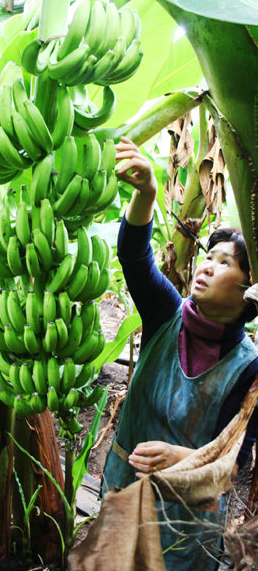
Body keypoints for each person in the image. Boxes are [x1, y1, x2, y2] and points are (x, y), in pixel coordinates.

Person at [102, 136, 258, 571]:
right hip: (122, 496)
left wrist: (184, 460)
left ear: (250, 290)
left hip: (186, 528)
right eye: (208, 255)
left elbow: (234, 460)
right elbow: (134, 257)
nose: (206, 265)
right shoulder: (165, 314)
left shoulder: (248, 369)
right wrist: (147, 193)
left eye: (225, 263)